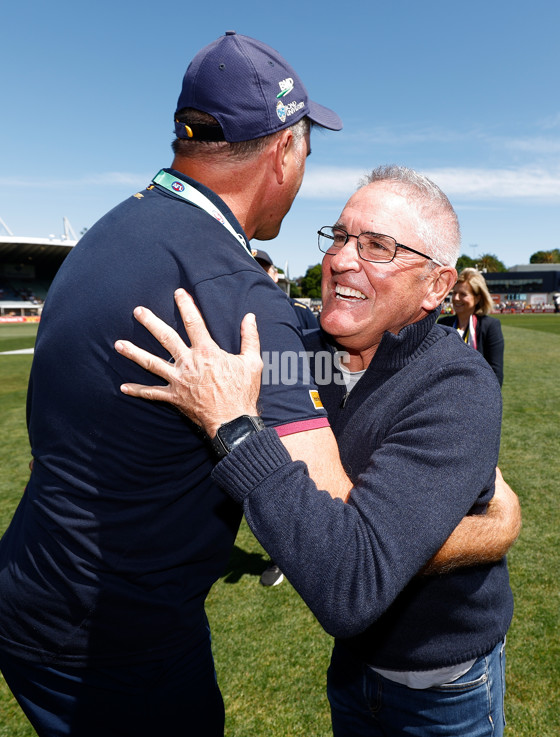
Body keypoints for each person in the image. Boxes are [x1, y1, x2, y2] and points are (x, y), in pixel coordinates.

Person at [0, 31, 346, 737]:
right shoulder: (238, 289)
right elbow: (331, 530)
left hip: (31, 593)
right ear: (284, 151)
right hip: (116, 643)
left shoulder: (105, 236)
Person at [116, 165, 519, 736]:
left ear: (436, 286)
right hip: (354, 667)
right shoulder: (301, 353)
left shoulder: (456, 388)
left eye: (378, 246)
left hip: (444, 687)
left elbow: (352, 581)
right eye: (339, 236)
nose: (342, 259)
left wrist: (236, 429)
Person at [253, 247, 318, 586]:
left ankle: (285, 557)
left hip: (297, 412)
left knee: (297, 481)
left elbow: (323, 358)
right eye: (253, 267)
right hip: (252, 411)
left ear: (275, 273)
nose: (260, 274)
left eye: (264, 267)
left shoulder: (297, 310)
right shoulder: (238, 312)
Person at [439, 267, 505, 385]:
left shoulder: (490, 326)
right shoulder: (443, 324)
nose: (456, 298)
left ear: (477, 298)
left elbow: (496, 374)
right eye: (454, 293)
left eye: (463, 294)